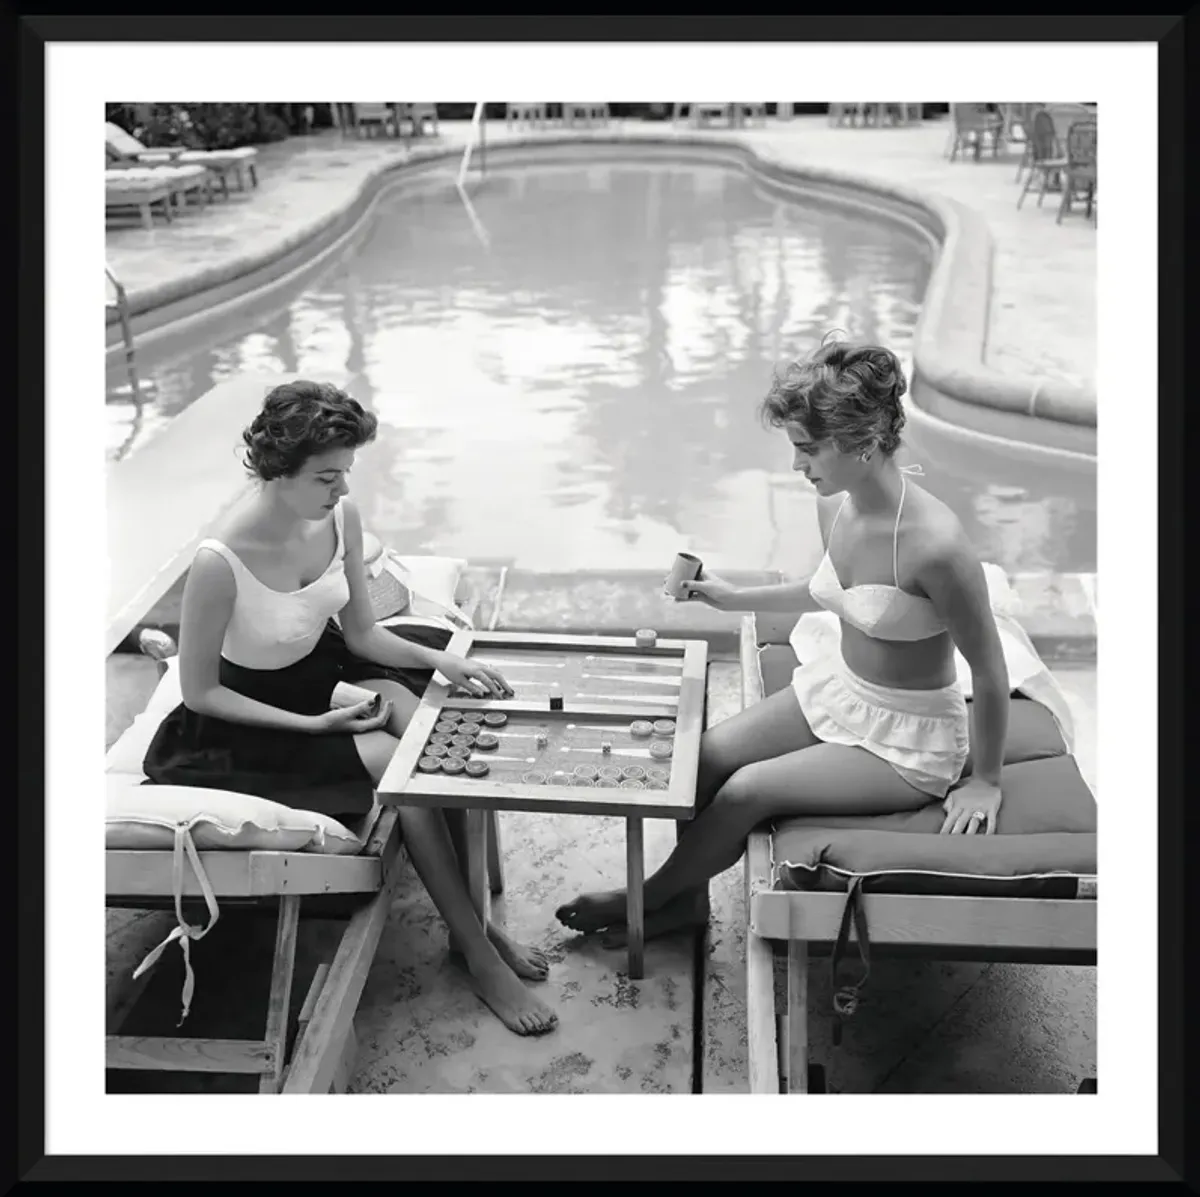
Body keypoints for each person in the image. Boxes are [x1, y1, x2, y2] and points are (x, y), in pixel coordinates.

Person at [557, 337, 1011, 947]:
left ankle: (645, 899)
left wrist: (986, 780)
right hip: (841, 691)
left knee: (748, 789)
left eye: (807, 449)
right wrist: (728, 596)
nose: (797, 465)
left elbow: (987, 668)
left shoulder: (937, 546)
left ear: (863, 443)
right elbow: (831, 589)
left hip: (908, 739)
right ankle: (684, 902)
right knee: (706, 756)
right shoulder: (838, 505)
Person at [143, 379, 557, 1036]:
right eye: (326, 476)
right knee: (401, 767)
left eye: (345, 473)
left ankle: (477, 923)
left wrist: (443, 660)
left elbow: (362, 635)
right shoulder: (219, 562)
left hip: (319, 677)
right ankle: (475, 951)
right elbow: (201, 693)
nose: (341, 490)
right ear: (277, 471)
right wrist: (311, 724)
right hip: (239, 722)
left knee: (444, 725)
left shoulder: (340, 517)